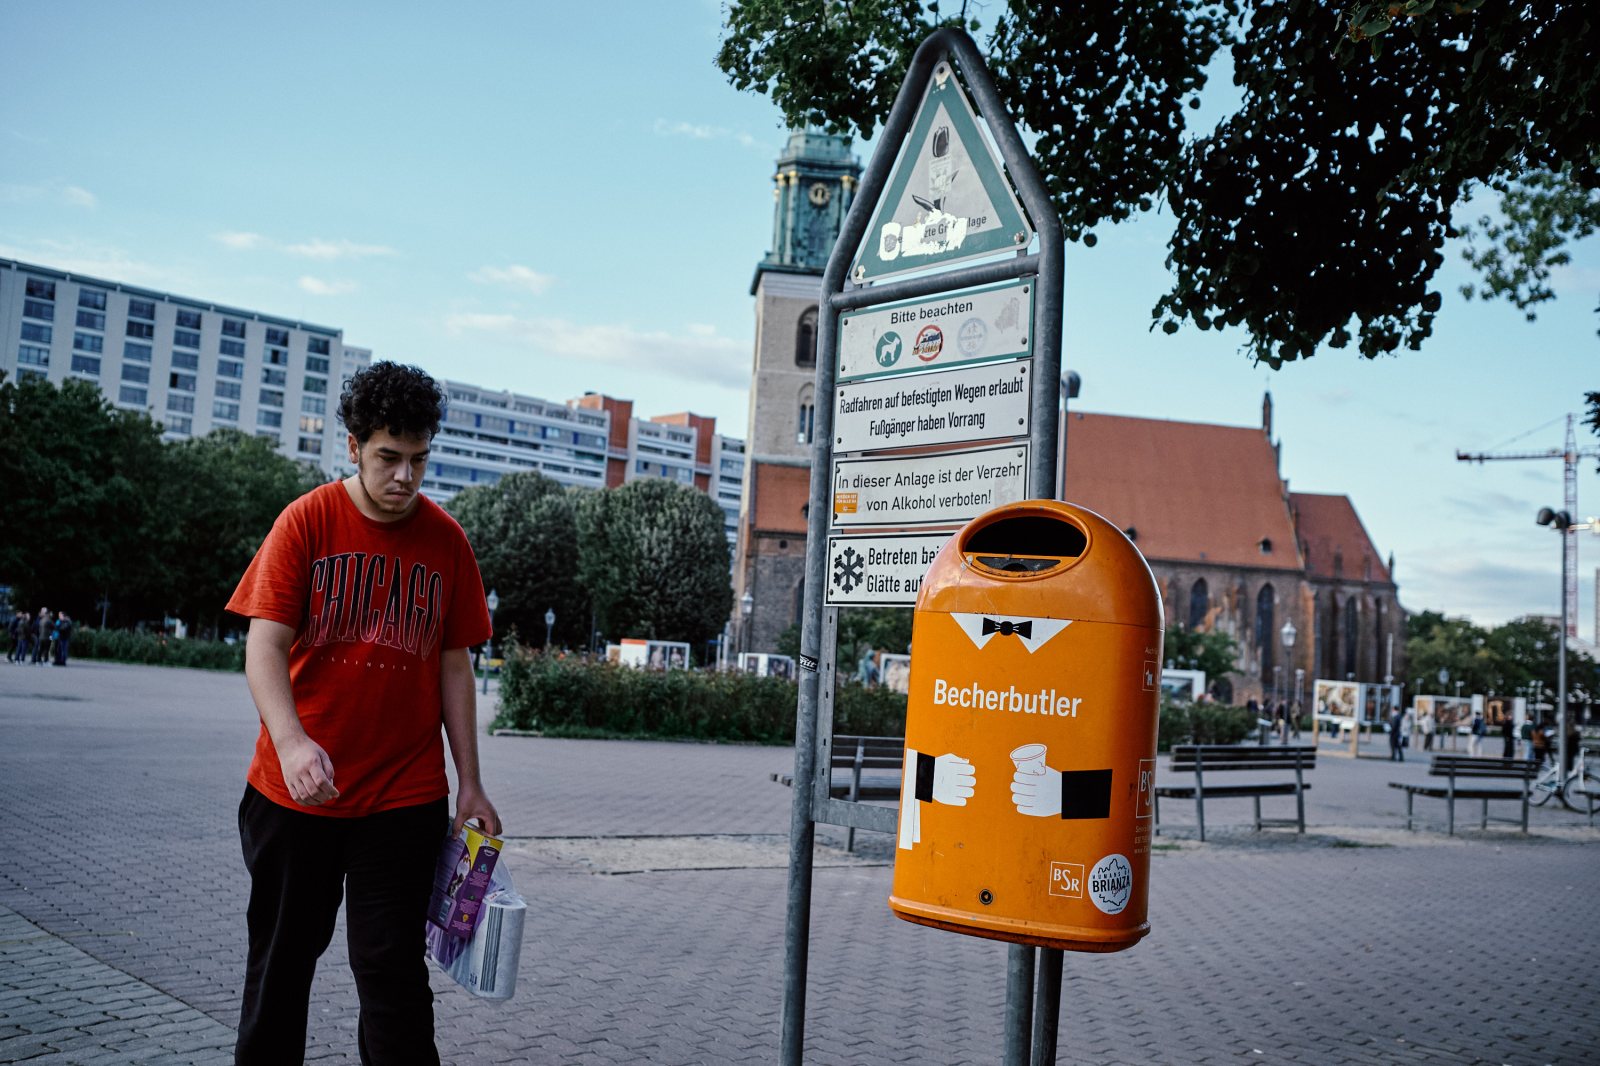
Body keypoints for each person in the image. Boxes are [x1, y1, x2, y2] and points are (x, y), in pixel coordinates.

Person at [226, 361, 499, 1066]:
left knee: (392, 975)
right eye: (389, 457)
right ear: (353, 447)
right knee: (281, 968)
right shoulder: (307, 522)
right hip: (294, 794)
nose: (406, 476)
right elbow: (264, 645)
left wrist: (470, 782)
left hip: (402, 798)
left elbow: (452, 667)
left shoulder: (446, 542)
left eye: (418, 459)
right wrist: (290, 743)